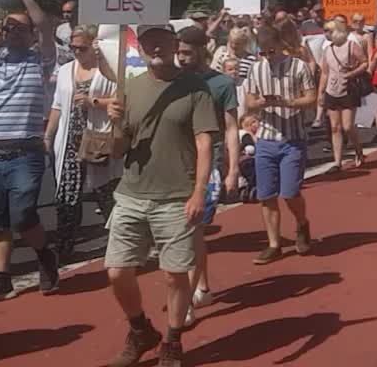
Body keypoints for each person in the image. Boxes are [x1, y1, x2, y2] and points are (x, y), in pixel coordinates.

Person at [103, 25, 216, 367]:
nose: (156, 47)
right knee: (117, 271)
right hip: (132, 193)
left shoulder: (194, 87)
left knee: (174, 274)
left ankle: (172, 340)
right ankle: (140, 330)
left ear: (174, 44)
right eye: (149, 41)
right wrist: (114, 123)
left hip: (176, 196)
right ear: (141, 48)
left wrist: (200, 191)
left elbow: (204, 142)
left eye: (163, 40)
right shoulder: (128, 88)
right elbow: (118, 150)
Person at [0, 0, 60, 305]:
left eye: (20, 28)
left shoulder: (42, 59)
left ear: (30, 34)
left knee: (23, 214)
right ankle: (2, 279)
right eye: (9, 29)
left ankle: (45, 255)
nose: (13, 32)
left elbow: (45, 28)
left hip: (26, 153)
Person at [174, 25, 240, 326]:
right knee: (192, 233)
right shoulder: (173, 80)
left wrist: (233, 168)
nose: (182, 58)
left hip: (208, 165)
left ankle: (185, 300)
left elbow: (230, 128)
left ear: (204, 50)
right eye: (179, 52)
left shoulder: (222, 84)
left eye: (188, 52)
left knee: (191, 230)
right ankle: (203, 286)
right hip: (176, 166)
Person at [44, 25, 120, 261]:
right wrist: (48, 135)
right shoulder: (66, 70)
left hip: (98, 136)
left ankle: (120, 244)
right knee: (67, 193)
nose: (77, 52)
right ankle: (65, 245)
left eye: (82, 48)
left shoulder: (108, 70)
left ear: (94, 45)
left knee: (105, 191)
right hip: (70, 139)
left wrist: (92, 101)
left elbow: (121, 100)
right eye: (73, 47)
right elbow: (57, 105)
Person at [244, 25, 316, 266]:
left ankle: (302, 223)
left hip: (292, 138)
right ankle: (274, 243)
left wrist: (289, 102)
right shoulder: (256, 69)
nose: (268, 56)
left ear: (281, 44)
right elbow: (249, 102)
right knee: (266, 195)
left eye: (271, 51)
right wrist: (261, 104)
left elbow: (311, 98)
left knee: (290, 192)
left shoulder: (298, 66)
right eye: (263, 52)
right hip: (265, 138)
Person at [318, 23, 367, 171]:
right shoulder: (327, 49)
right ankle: (337, 161)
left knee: (347, 126)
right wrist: (321, 91)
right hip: (332, 90)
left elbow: (364, 63)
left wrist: (352, 74)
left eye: (329, 30)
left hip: (348, 89)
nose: (326, 33)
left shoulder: (351, 46)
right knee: (335, 127)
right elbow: (325, 73)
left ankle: (358, 150)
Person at [54, 0, 77, 67]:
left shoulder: (84, 28)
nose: (65, 15)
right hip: (64, 64)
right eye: (64, 12)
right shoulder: (60, 29)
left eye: (69, 12)